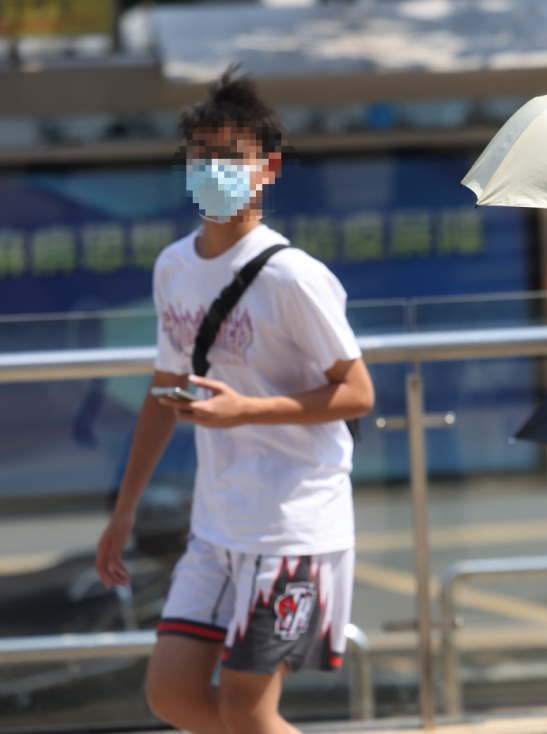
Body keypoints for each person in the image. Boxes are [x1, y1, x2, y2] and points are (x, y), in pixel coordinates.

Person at [94, 67, 375, 734]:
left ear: (267, 168)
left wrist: (245, 410)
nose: (213, 170)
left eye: (230, 157)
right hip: (217, 528)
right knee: (171, 695)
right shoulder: (174, 268)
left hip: (292, 527)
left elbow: (358, 392)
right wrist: (123, 511)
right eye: (201, 156)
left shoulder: (293, 276)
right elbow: (165, 393)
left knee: (249, 712)